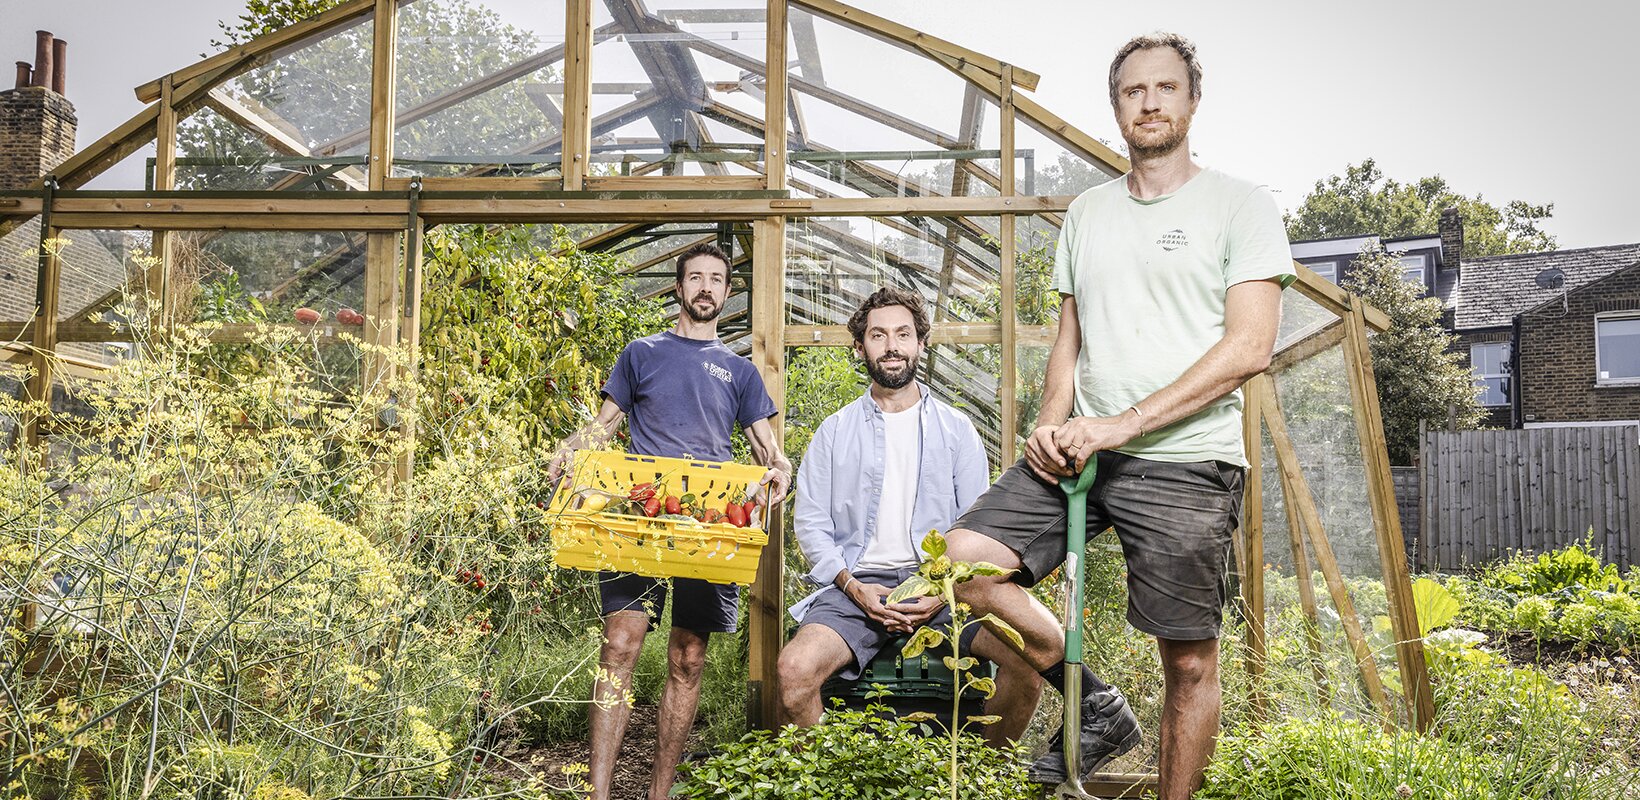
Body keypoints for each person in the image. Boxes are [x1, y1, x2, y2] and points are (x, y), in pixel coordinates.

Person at [941, 33, 1294, 799]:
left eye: (1167, 88)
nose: (1151, 102)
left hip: (1187, 459)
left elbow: (1250, 347)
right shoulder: (1089, 213)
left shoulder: (1242, 205)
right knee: (964, 561)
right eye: (1135, 91)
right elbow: (1070, 337)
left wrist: (1120, 424)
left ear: (1192, 102)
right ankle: (1097, 702)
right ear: (1117, 106)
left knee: (1190, 661)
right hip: (1082, 452)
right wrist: (1049, 421)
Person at [551, 242, 793, 800]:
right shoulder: (642, 354)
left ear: (726, 293)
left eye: (716, 279)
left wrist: (780, 472)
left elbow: (769, 452)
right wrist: (571, 447)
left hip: (707, 524)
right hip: (639, 515)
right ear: (679, 289)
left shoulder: (739, 372)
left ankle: (660, 792)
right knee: (620, 643)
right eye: (696, 278)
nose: (706, 287)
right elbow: (605, 424)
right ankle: (599, 794)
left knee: (688, 655)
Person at [776, 287, 1044, 745]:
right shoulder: (834, 432)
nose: (892, 345)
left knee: (1029, 664)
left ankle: (980, 781)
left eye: (903, 334)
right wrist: (854, 588)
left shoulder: (957, 430)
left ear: (922, 343)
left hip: (945, 588)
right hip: (856, 584)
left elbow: (980, 531)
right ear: (860, 347)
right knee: (792, 672)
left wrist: (940, 594)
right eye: (878, 335)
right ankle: (836, 782)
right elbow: (812, 525)